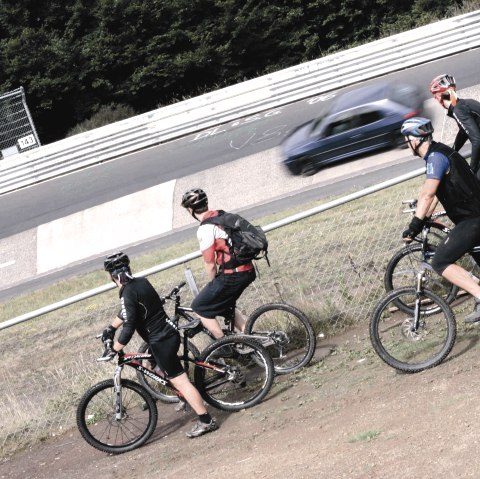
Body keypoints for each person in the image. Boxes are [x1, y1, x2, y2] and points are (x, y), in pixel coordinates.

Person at [101, 251, 218, 438]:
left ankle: (206, 421)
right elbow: (129, 312)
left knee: (182, 382)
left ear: (111, 276)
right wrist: (110, 327)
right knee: (149, 365)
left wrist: (115, 349)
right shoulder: (141, 283)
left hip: (161, 341)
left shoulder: (127, 293)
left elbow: (130, 325)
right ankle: (183, 397)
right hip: (165, 334)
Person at [400, 117, 480, 323]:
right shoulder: (440, 152)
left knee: (441, 261)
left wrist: (414, 226)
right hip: (473, 216)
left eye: (406, 139)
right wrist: (423, 216)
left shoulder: (435, 158)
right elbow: (435, 195)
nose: (406, 143)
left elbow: (427, 195)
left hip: (473, 219)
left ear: (415, 139)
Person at [180, 188, 256, 339]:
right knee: (224, 305)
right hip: (247, 269)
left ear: (190, 210)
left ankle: (223, 344)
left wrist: (213, 282)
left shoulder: (205, 229)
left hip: (233, 274)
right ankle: (251, 340)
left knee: (199, 307)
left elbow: (210, 264)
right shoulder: (221, 215)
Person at [429, 74, 480, 178]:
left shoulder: (458, 110)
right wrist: (452, 152)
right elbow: (464, 132)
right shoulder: (464, 104)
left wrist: (472, 169)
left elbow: (477, 140)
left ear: (439, 97)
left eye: (435, 96)